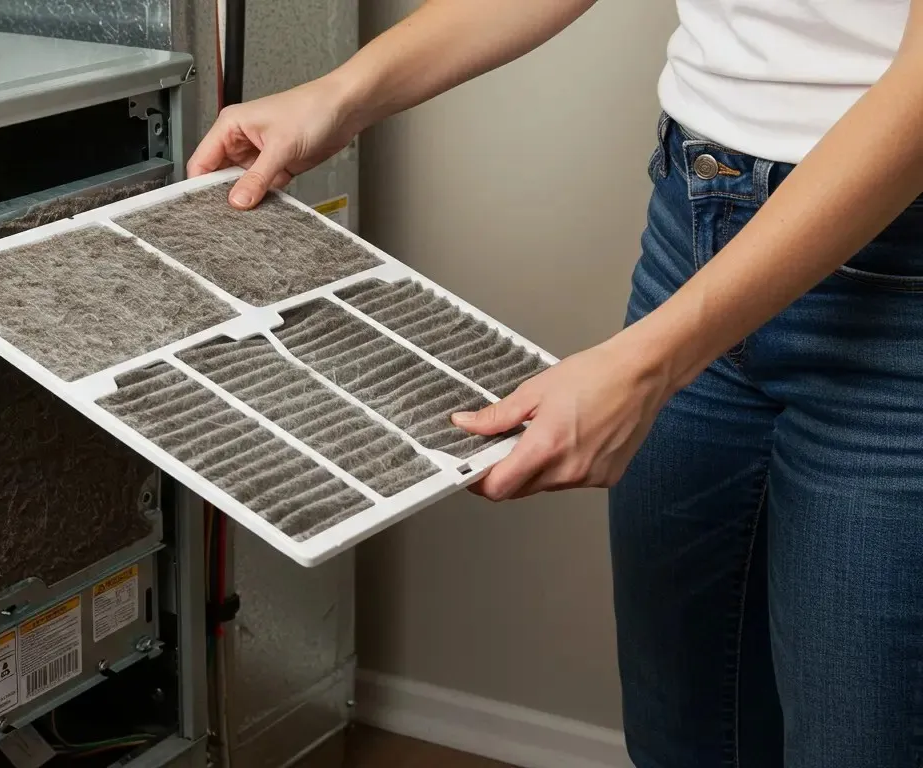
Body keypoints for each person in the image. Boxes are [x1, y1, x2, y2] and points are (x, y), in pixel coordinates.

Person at [188, 1, 923, 765]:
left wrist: (648, 364)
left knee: (860, 741)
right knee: (686, 730)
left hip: (898, 275)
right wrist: (344, 94)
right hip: (696, 212)